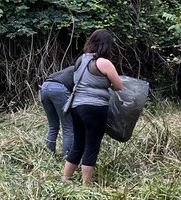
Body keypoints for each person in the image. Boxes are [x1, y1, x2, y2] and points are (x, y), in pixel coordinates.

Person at [62, 29, 123, 185]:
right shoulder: (104, 62)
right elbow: (118, 86)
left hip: (76, 106)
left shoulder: (80, 60)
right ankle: (86, 185)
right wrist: (106, 83)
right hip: (95, 108)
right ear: (107, 45)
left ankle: (65, 179)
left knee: (78, 144)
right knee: (92, 145)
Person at [38, 63, 76, 158]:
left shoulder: (67, 70)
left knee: (53, 125)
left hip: (44, 87)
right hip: (59, 89)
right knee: (68, 127)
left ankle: (49, 154)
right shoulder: (80, 70)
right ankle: (66, 157)